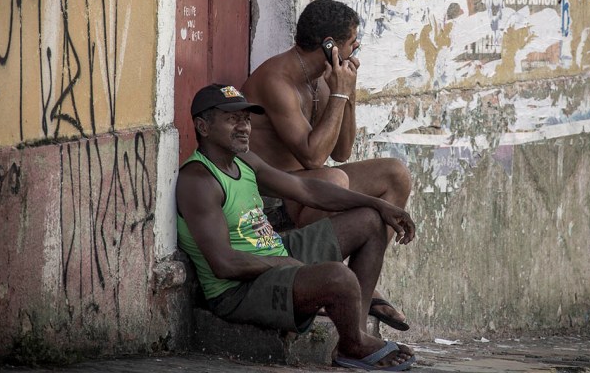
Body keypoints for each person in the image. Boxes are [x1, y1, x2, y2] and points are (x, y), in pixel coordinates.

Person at [176, 84, 416, 371]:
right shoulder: (199, 180)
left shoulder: (243, 159)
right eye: (232, 119)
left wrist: (379, 205)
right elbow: (224, 264)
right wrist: (284, 264)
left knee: (369, 220)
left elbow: (306, 189)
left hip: (274, 255)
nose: (243, 127)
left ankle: (356, 334)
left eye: (246, 119)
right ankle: (354, 346)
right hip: (239, 290)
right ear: (203, 127)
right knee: (337, 276)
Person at [241, 0, 413, 331]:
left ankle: (360, 302)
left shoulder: (321, 79)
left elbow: (344, 150)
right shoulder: (277, 79)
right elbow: (314, 157)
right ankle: (325, 278)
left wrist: (347, 94)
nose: (356, 51)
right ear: (330, 45)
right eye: (353, 43)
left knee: (395, 174)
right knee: (334, 180)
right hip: (273, 198)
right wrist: (338, 95)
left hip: (309, 188)